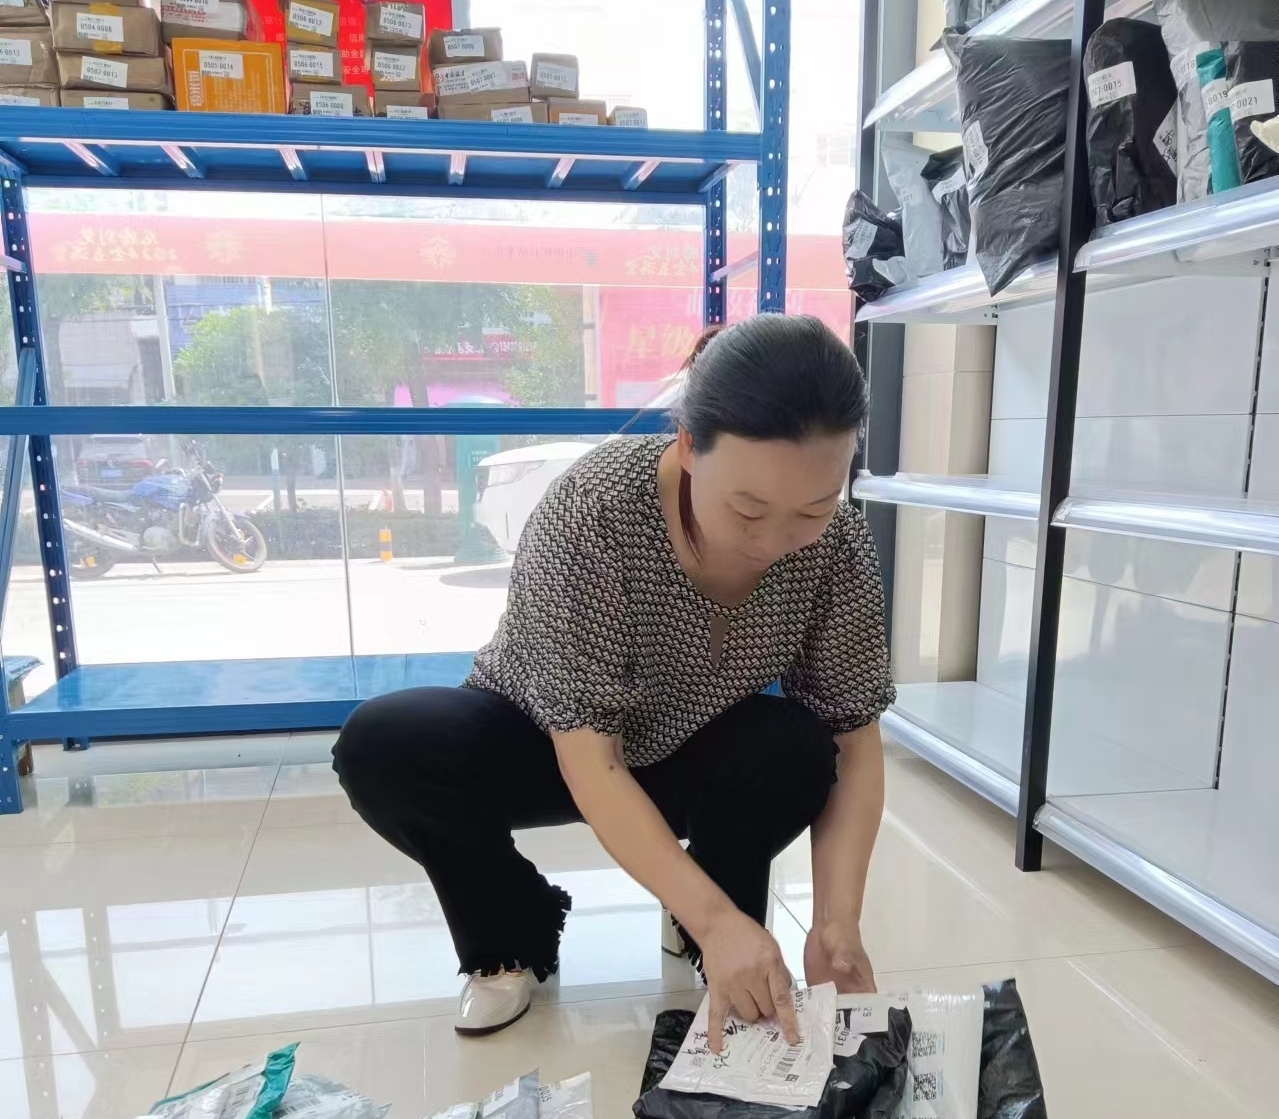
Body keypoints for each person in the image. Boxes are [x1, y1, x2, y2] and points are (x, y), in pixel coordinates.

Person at [332, 314, 896, 1049]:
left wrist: (836, 924)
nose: (773, 542)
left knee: (796, 746)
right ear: (688, 446)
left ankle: (709, 920)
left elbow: (856, 737)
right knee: (386, 746)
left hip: (687, 743)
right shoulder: (595, 513)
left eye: (812, 510)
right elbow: (589, 759)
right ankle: (512, 933)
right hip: (548, 738)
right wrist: (716, 919)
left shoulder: (838, 546)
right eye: (748, 509)